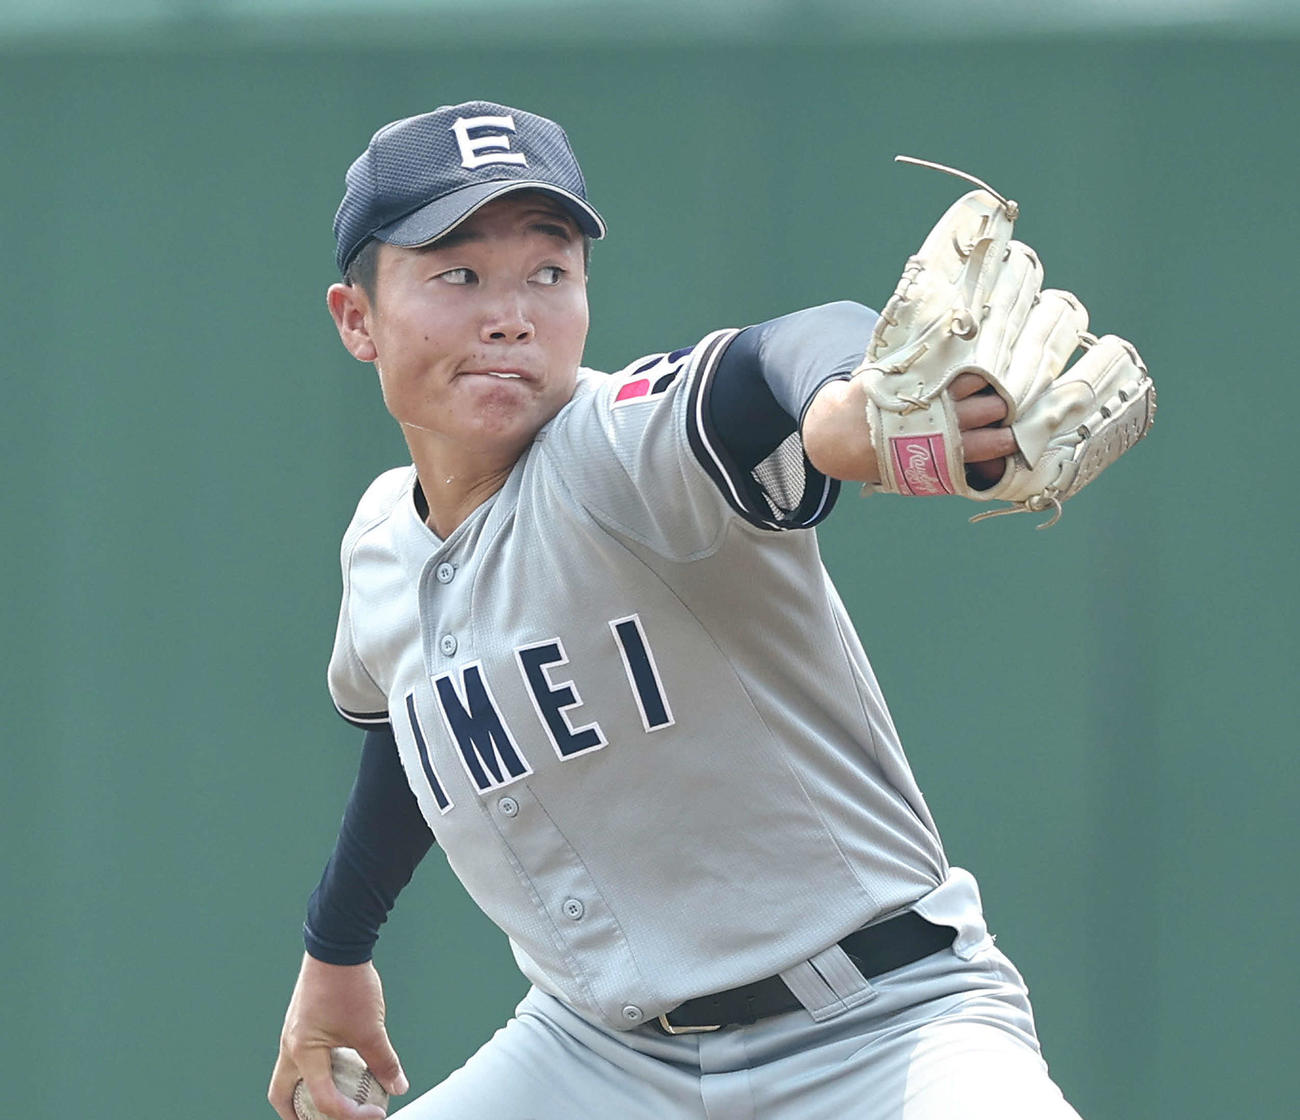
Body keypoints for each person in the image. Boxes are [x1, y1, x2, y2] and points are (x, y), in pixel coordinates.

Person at [268, 99, 1085, 1120]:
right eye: (458, 272)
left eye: (549, 272)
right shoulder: (383, 541)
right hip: (599, 1057)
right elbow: (416, 729)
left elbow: (775, 359)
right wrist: (334, 954)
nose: (511, 312)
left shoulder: (619, 444)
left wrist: (844, 403)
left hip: (882, 1028)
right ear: (357, 319)